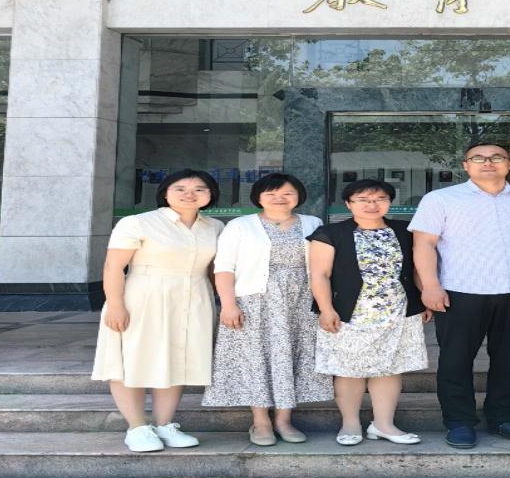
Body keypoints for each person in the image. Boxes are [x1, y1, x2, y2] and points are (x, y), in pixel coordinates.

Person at [410, 141, 510, 449]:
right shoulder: (441, 199)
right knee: (456, 360)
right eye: (478, 158)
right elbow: (424, 244)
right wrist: (430, 285)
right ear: (465, 165)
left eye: (496, 157)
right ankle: (459, 422)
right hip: (460, 291)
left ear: (509, 164)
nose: (488, 162)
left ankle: (504, 418)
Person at [92, 169, 223, 453]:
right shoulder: (138, 222)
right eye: (180, 188)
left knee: (178, 359)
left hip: (194, 298)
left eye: (199, 189)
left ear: (210, 194)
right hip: (143, 298)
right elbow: (113, 267)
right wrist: (115, 304)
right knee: (132, 361)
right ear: (165, 193)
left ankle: (165, 425)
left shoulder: (215, 227)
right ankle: (137, 427)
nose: (189, 194)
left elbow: (216, 270)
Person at [202, 173, 331, 446]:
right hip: (254, 302)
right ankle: (260, 422)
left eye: (287, 193)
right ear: (258, 197)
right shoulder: (240, 225)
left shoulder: (312, 223)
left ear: (298, 196)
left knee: (293, 356)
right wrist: (228, 304)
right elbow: (224, 267)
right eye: (271, 193)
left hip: (300, 301)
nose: (279, 198)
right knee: (255, 357)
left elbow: (322, 265)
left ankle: (284, 420)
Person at [309, 179, 429, 447]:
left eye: (379, 199)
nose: (372, 205)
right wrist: (326, 309)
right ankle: (350, 423)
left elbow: (417, 269)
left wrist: (425, 300)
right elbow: (319, 275)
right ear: (348, 204)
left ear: (389, 202)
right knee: (348, 369)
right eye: (363, 200)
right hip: (349, 311)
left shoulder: (405, 230)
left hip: (397, 310)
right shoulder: (330, 232)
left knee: (390, 367)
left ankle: (383, 424)